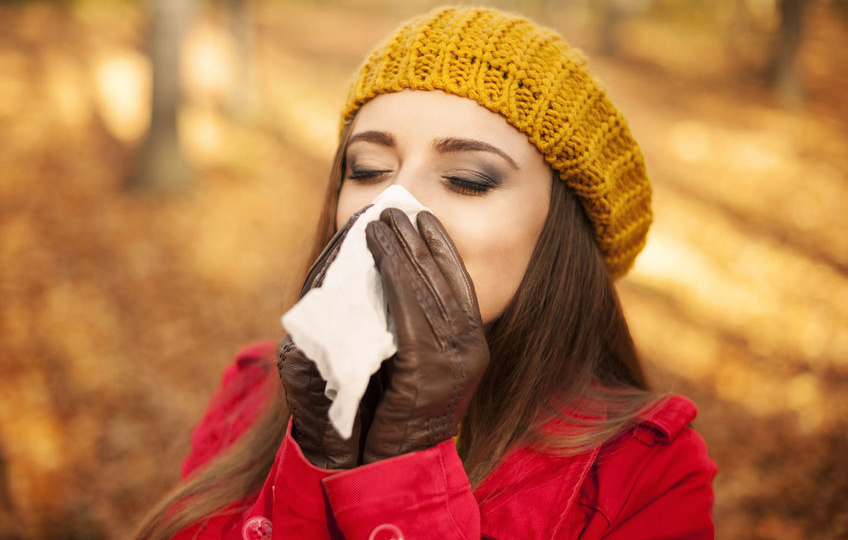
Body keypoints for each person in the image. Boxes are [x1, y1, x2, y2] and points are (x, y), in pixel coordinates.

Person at [134, 6, 717, 540]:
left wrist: (404, 468)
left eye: (468, 179)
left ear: (561, 237)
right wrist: (317, 456)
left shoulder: (647, 474)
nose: (389, 207)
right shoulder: (251, 395)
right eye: (368, 169)